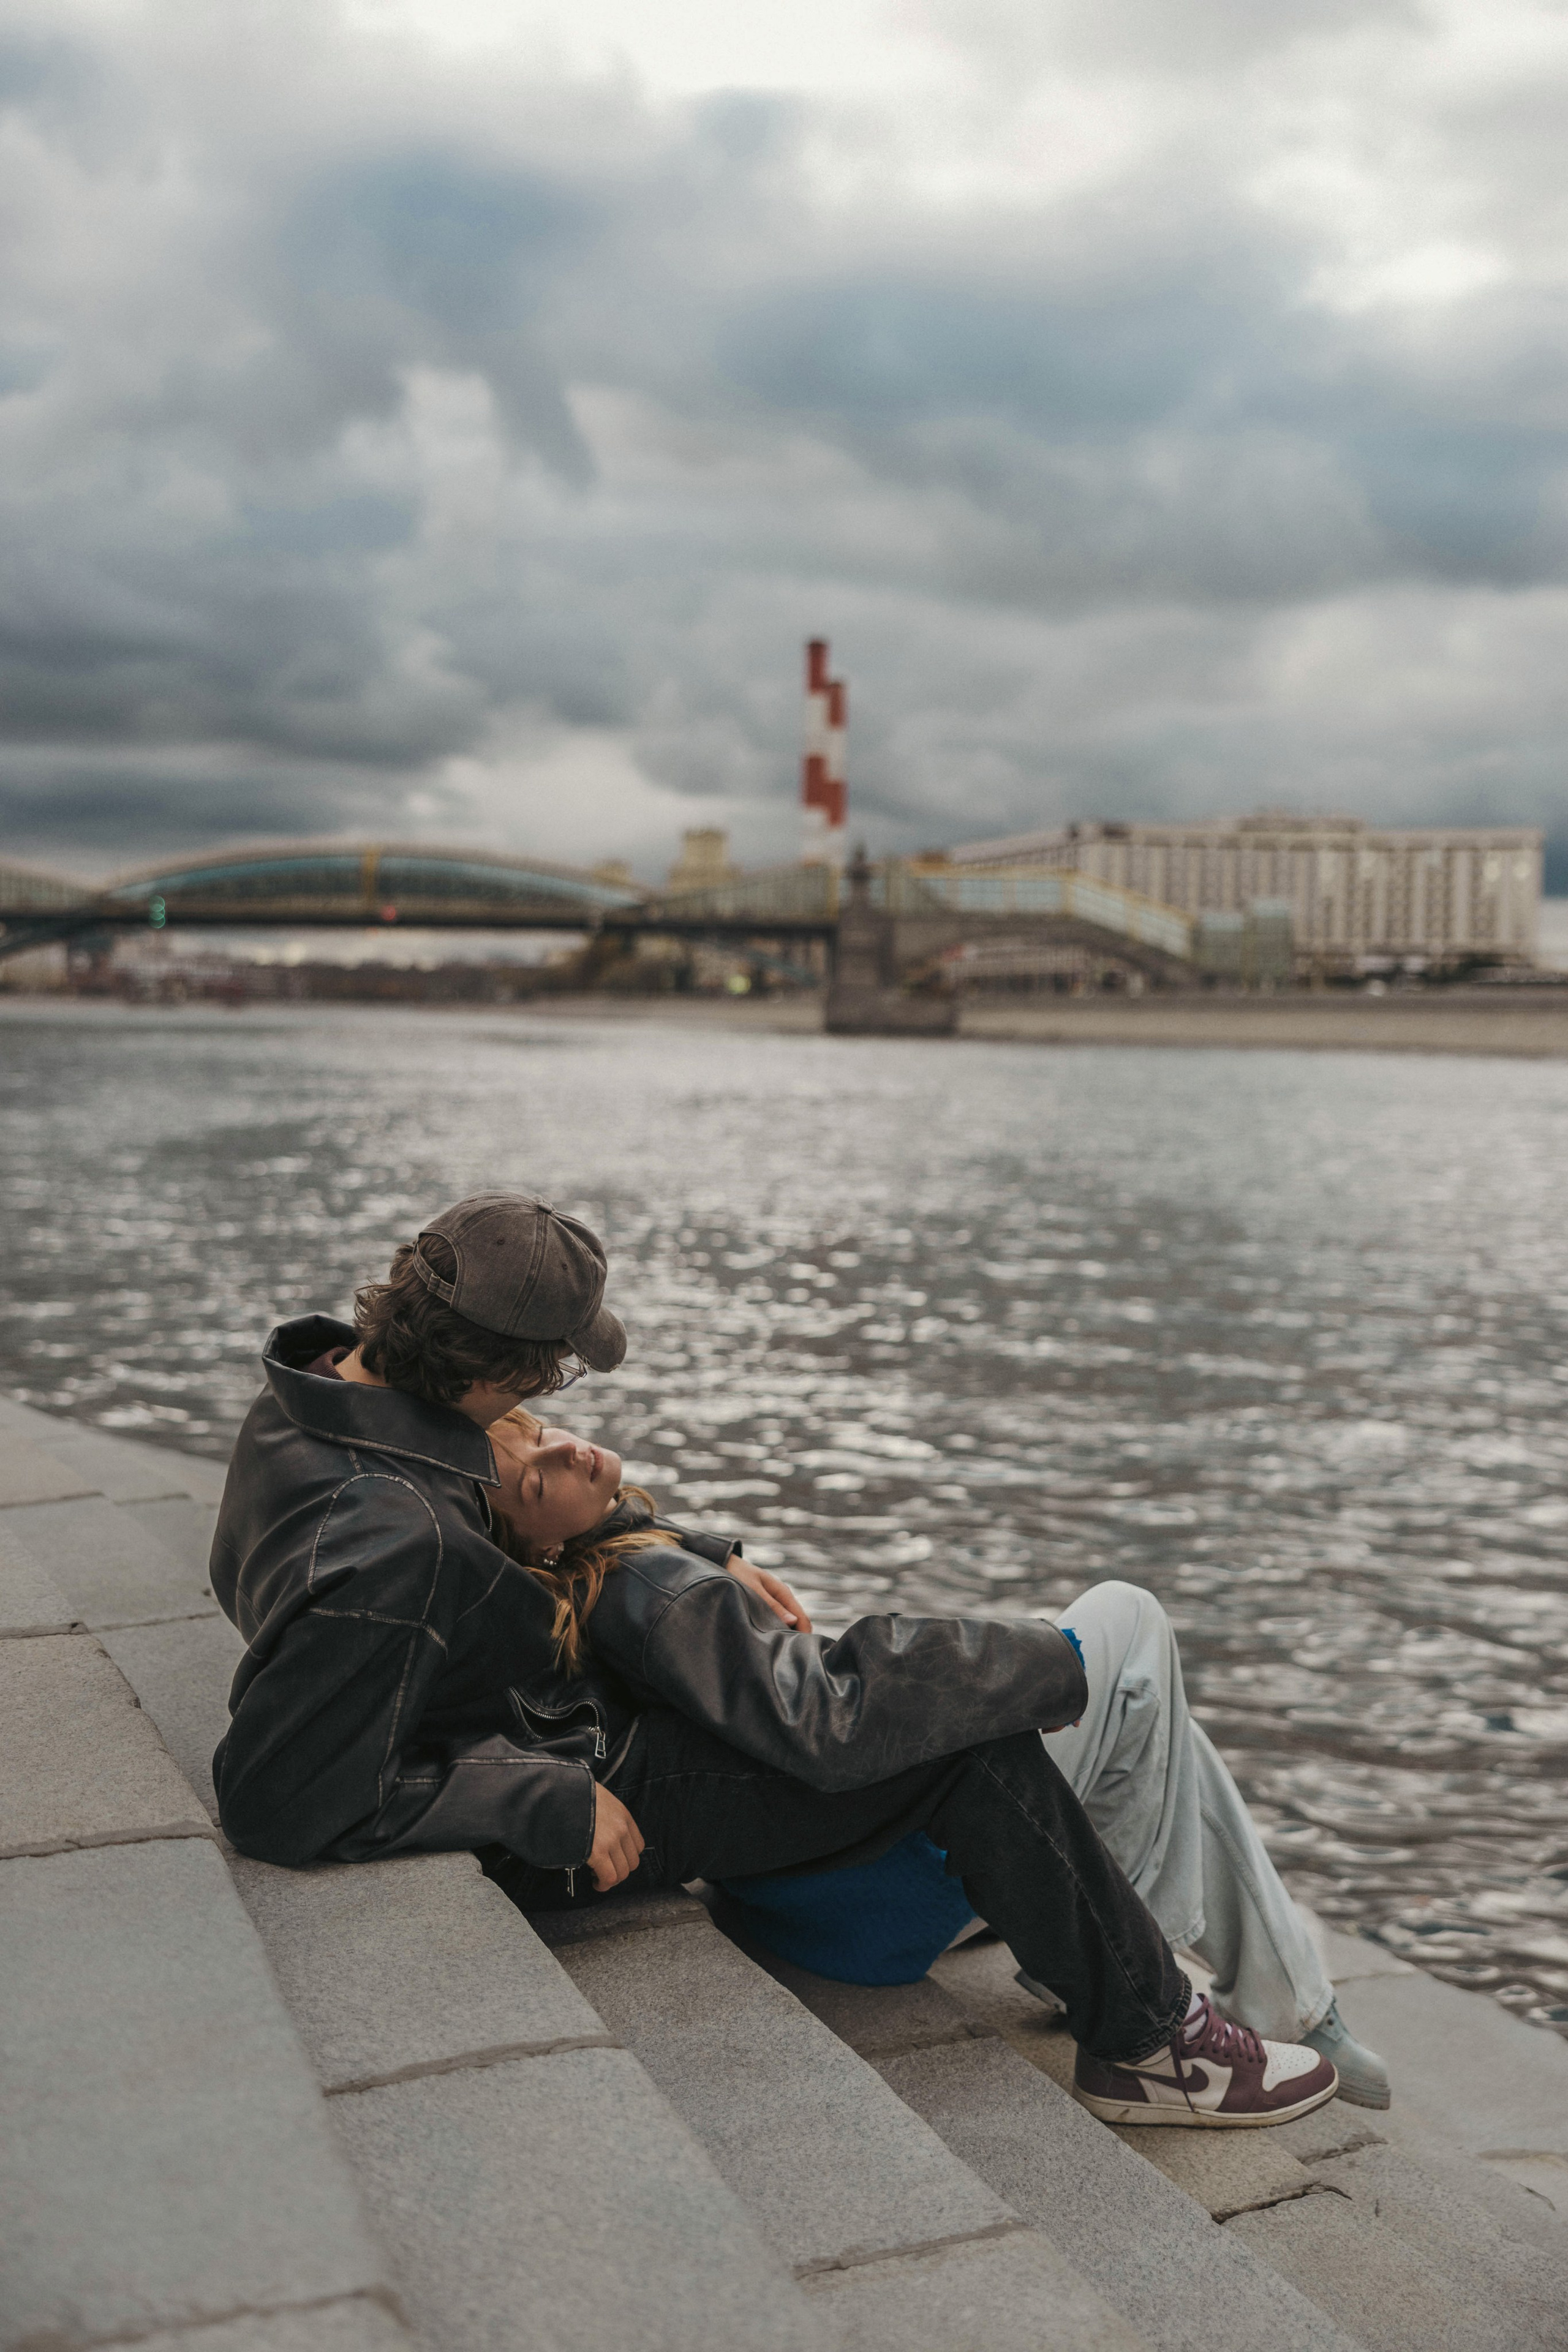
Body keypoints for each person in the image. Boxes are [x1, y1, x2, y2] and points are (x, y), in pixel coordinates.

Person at [211, 1192, 1342, 2131]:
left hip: (560, 1717)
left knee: (891, 1704)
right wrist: (538, 1795)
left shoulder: (321, 1399)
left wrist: (675, 1546)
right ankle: (1152, 2046)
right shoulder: (391, 1543)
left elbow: (477, 1512)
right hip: (591, 1773)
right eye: (555, 1384)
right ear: (508, 1380)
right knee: (969, 1743)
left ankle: (1126, 1959)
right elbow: (277, 1799)